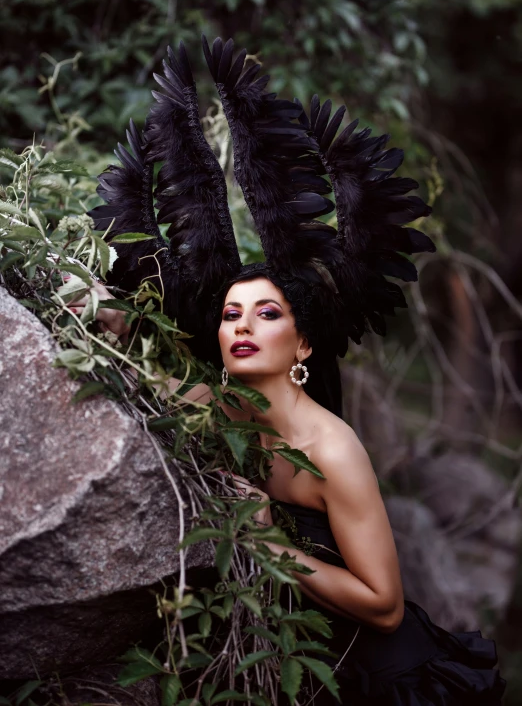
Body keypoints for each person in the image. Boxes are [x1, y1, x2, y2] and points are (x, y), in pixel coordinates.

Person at [73, 37, 506, 703]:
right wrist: (104, 309)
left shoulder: (332, 447)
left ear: (304, 345)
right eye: (230, 315)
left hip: (385, 678)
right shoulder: (230, 413)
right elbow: (157, 384)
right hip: (302, 673)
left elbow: (384, 603)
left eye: (266, 314)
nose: (241, 325)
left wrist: (269, 540)